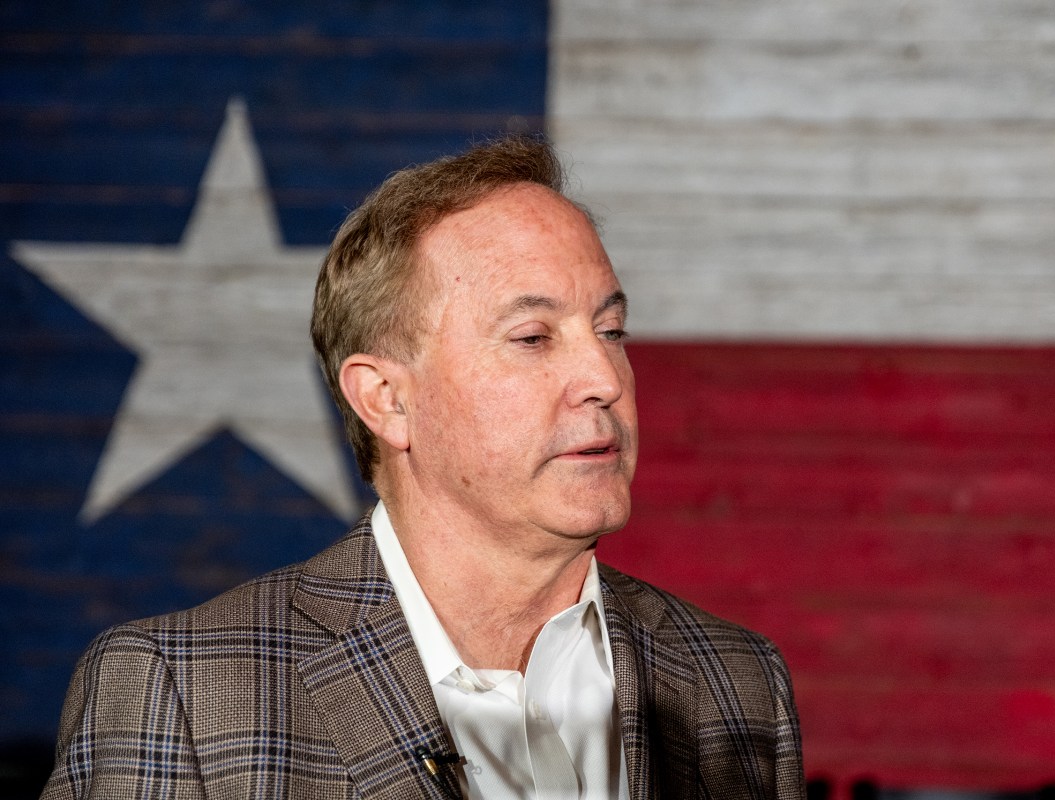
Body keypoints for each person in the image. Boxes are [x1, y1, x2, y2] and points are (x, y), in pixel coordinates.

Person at [42, 136, 805, 799]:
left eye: (612, 329)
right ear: (386, 399)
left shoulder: (733, 682)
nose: (604, 377)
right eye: (534, 337)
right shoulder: (184, 692)